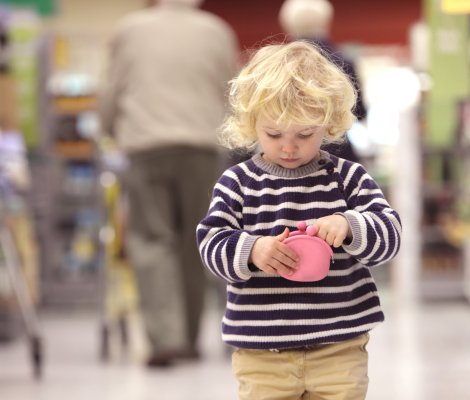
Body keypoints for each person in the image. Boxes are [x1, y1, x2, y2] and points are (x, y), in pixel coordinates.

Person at [196, 41, 401, 399]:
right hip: (262, 353)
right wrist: (252, 249)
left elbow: (390, 235)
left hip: (340, 346)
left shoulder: (347, 178)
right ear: (251, 123)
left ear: (329, 121)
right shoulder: (237, 183)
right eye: (273, 134)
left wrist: (350, 225)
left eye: (305, 134)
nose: (288, 147)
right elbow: (211, 243)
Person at [99, 0, 238, 367]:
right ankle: (192, 338)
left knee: (152, 239)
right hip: (204, 146)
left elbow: (113, 88)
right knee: (202, 237)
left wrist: (107, 127)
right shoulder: (216, 30)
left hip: (146, 144)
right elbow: (232, 92)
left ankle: (165, 338)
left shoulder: (131, 28)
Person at [279, 0, 367, 162]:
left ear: (287, 23)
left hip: (288, 154)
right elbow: (359, 112)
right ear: (326, 20)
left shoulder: (276, 66)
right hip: (338, 150)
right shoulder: (344, 63)